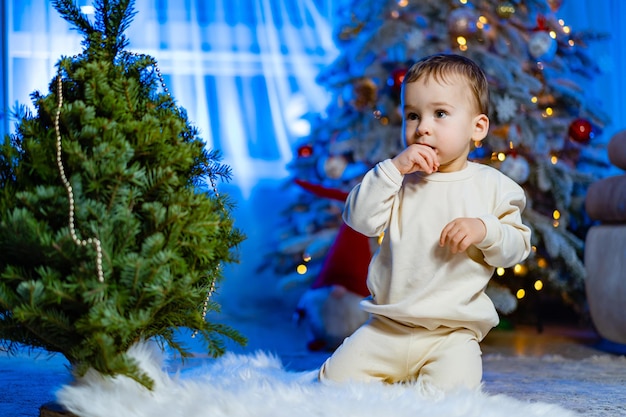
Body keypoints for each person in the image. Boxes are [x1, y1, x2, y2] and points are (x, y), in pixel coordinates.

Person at [318, 53, 532, 391]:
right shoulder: (397, 180)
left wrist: (484, 229)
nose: (423, 127)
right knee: (333, 384)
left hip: (451, 336)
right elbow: (359, 219)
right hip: (387, 327)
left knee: (453, 394)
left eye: (440, 113)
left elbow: (517, 247)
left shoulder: (493, 186)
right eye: (413, 115)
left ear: (477, 127)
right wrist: (393, 169)